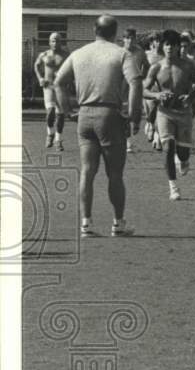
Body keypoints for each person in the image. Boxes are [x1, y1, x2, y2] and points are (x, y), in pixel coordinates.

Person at [54, 14, 143, 237]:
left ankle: (86, 224)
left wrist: (68, 111)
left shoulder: (79, 54)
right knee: (115, 173)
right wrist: (133, 116)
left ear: (94, 29)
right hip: (109, 113)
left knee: (87, 171)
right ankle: (118, 223)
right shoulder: (121, 53)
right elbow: (136, 83)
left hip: (84, 115)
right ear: (115, 31)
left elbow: (58, 83)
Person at [144, 29, 195, 200]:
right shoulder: (156, 67)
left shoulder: (188, 66)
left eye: (173, 45)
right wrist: (157, 95)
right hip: (164, 113)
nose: (170, 48)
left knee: (182, 153)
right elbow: (143, 89)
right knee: (168, 148)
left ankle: (183, 160)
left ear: (177, 47)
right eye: (167, 44)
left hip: (183, 113)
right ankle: (173, 187)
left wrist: (189, 97)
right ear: (162, 46)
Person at [34, 32, 68, 150]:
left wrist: (65, 76)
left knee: (61, 115)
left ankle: (58, 140)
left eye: (58, 40)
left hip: (61, 88)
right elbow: (36, 65)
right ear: (49, 42)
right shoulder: (44, 54)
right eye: (53, 40)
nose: (55, 43)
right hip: (48, 87)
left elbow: (72, 69)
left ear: (61, 42)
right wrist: (40, 78)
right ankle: (50, 134)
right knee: (50, 113)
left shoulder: (66, 55)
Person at [121, 28, 150, 154]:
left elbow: (147, 65)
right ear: (123, 39)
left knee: (134, 110)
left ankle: (136, 124)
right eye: (127, 38)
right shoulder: (119, 52)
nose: (129, 41)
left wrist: (142, 76)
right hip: (123, 84)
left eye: (132, 38)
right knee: (124, 111)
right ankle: (128, 142)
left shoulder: (139, 51)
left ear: (135, 39)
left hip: (135, 83)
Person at [144, 32, 163, 150]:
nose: (159, 43)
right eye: (156, 40)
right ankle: (149, 124)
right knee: (151, 112)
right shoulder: (147, 55)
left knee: (160, 113)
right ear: (152, 43)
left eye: (160, 40)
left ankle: (157, 137)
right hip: (149, 87)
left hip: (162, 87)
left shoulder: (166, 56)